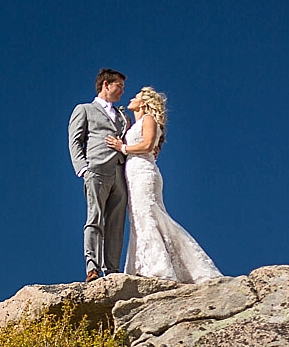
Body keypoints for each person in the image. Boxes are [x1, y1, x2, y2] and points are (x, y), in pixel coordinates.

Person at [105, 87, 221, 282]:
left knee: (148, 214)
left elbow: (148, 145)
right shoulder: (135, 124)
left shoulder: (148, 119)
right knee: (139, 217)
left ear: (144, 102)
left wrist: (122, 147)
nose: (131, 98)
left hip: (144, 172)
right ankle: (143, 264)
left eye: (136, 96)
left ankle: (159, 267)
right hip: (133, 174)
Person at [68, 69, 130, 282]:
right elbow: (75, 140)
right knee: (94, 219)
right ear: (106, 84)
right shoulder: (84, 109)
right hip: (96, 170)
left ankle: (112, 269)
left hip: (120, 173)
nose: (122, 91)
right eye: (119, 86)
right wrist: (83, 168)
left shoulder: (123, 116)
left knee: (116, 222)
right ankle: (92, 267)